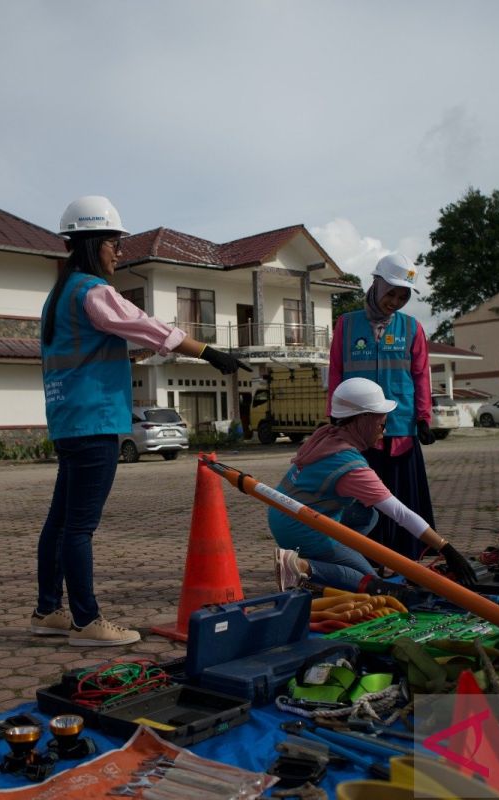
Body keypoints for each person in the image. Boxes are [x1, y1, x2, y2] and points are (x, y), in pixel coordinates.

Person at [31, 195, 249, 647]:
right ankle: (87, 622)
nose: (118, 251)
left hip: (69, 419)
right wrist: (210, 353)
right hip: (94, 422)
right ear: (92, 243)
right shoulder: (94, 291)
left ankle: (48, 611)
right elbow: (150, 326)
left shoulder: (60, 293)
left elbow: (100, 344)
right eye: (113, 242)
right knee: (79, 528)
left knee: (60, 522)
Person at [271, 377, 475, 593]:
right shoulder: (349, 465)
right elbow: (400, 513)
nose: (383, 432)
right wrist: (447, 548)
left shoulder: (327, 435)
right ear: (364, 419)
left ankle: (326, 557)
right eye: (381, 424)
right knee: (369, 581)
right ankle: (298, 565)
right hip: (298, 527)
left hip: (283, 512)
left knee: (368, 514)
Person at [327, 253, 436, 562]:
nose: (396, 301)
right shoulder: (346, 324)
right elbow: (336, 370)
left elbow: (420, 374)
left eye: (403, 296)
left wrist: (424, 417)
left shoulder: (412, 328)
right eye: (392, 293)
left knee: (401, 496)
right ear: (376, 284)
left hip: (400, 427)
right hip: (357, 428)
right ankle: (366, 557)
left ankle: (406, 559)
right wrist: (334, 413)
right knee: (362, 497)